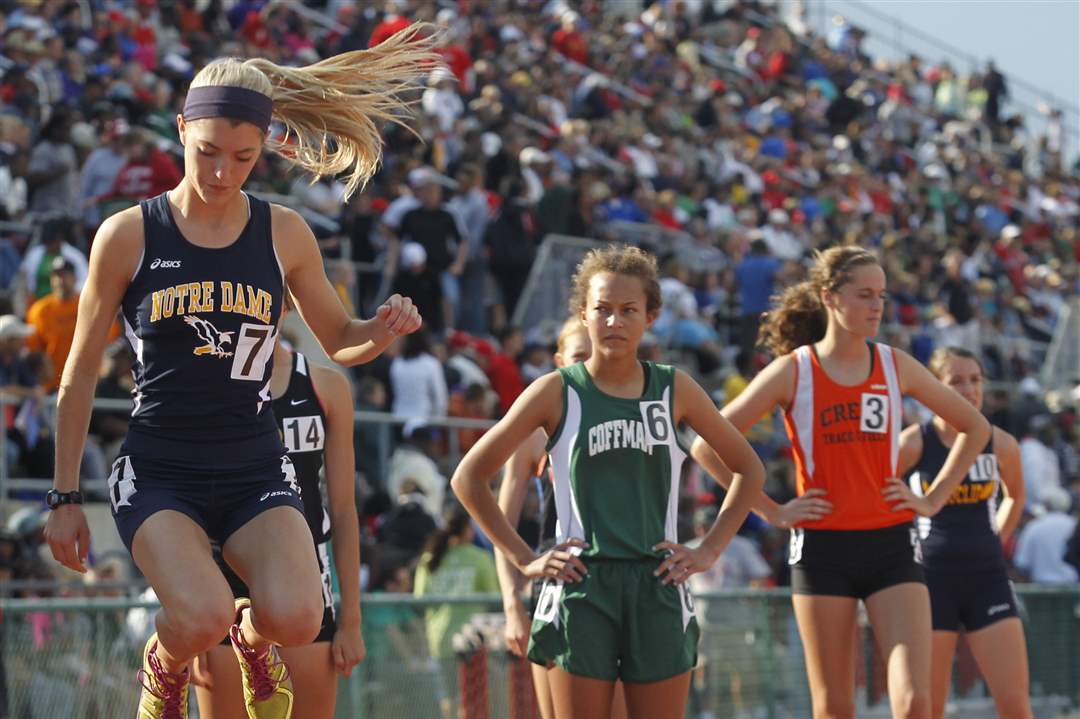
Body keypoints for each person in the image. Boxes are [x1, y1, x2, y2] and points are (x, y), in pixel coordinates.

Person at [43, 27, 437, 719]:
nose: (223, 172)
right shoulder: (131, 234)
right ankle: (164, 662)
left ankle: (252, 642)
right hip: (161, 465)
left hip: (256, 462)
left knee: (296, 617)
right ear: (181, 130)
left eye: (244, 157)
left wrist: (383, 326)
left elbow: (340, 339)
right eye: (207, 153)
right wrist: (64, 494)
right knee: (200, 611)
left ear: (266, 148)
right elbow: (77, 376)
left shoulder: (282, 232)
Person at [452, 244, 766, 719]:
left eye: (628, 311)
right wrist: (524, 559)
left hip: (658, 581)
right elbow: (469, 478)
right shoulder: (556, 390)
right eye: (603, 309)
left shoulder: (674, 387)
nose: (615, 322)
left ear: (651, 317)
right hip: (582, 585)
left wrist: (709, 549)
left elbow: (750, 469)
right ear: (584, 312)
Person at [690, 246, 990, 719]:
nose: (877, 307)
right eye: (865, 295)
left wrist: (932, 499)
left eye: (883, 296)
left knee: (915, 702)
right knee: (833, 706)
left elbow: (976, 428)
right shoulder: (794, 371)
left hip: (891, 542)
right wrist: (771, 509)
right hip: (822, 548)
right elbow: (706, 445)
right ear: (830, 297)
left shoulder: (896, 365)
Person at [193, 309, 366, 718]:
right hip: (226, 582)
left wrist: (352, 620)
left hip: (306, 576)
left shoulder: (326, 386)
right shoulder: (207, 386)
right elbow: (192, 504)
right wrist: (196, 620)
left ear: (285, 302)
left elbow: (342, 511)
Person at [495, 317, 626, 719]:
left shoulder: (629, 417)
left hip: (623, 578)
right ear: (558, 360)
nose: (588, 366)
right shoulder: (535, 431)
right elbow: (502, 517)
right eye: (578, 356)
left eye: (596, 355)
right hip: (559, 584)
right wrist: (513, 604)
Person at [893, 346, 1031, 719]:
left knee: (1016, 704)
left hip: (988, 578)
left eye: (975, 380)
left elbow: (1016, 496)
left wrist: (996, 538)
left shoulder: (1001, 444)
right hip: (930, 582)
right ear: (933, 388)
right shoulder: (912, 443)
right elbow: (879, 498)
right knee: (928, 708)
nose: (968, 389)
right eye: (955, 381)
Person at [413, 505, 499, 719]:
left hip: (440, 640)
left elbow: (419, 599)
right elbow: (494, 595)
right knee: (472, 697)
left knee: (448, 699)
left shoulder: (429, 559)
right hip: (473, 640)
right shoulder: (479, 558)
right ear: (467, 529)